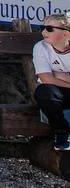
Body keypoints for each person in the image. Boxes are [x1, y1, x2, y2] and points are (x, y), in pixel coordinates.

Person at [34, 12, 70, 150]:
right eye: (42, 27)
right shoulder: (40, 47)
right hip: (58, 92)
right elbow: (45, 78)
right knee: (44, 91)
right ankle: (62, 131)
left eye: (49, 29)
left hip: (60, 86)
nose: (44, 32)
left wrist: (57, 75)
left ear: (66, 34)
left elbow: (51, 77)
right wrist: (54, 76)